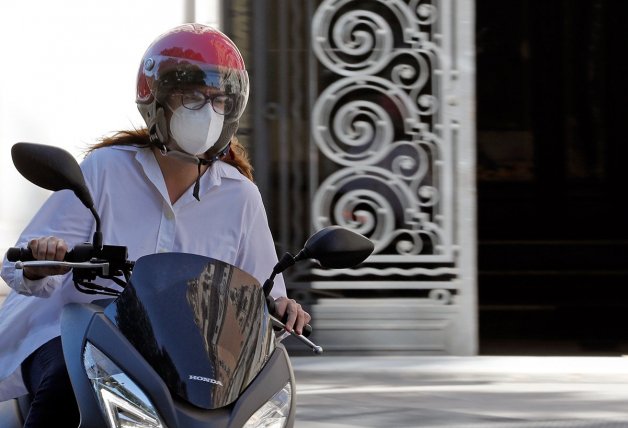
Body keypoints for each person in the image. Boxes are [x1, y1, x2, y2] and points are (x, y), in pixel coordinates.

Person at [0, 23, 310, 427]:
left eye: (219, 101)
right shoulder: (104, 171)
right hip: (77, 334)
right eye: (193, 97)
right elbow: (17, 268)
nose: (208, 111)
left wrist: (283, 308)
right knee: (68, 378)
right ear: (157, 101)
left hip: (181, 356)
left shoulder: (241, 198)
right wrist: (45, 259)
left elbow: (262, 293)